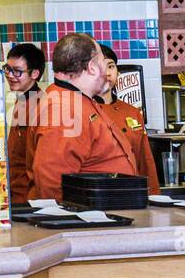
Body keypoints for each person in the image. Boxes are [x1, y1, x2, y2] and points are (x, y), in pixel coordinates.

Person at [29, 33, 139, 202]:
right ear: (92, 67)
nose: (107, 72)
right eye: (103, 62)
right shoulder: (64, 109)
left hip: (103, 213)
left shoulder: (78, 99)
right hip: (89, 220)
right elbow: (51, 182)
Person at [96, 44, 160, 192]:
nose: (107, 73)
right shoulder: (83, 111)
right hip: (100, 192)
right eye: (101, 67)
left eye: (111, 66)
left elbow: (145, 160)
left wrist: (154, 195)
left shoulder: (132, 112)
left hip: (133, 191)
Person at [3, 43, 46, 205]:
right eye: (7, 69)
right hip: (15, 192)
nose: (10, 75)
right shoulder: (21, 99)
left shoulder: (41, 105)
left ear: (35, 73)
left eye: (17, 71)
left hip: (28, 198)